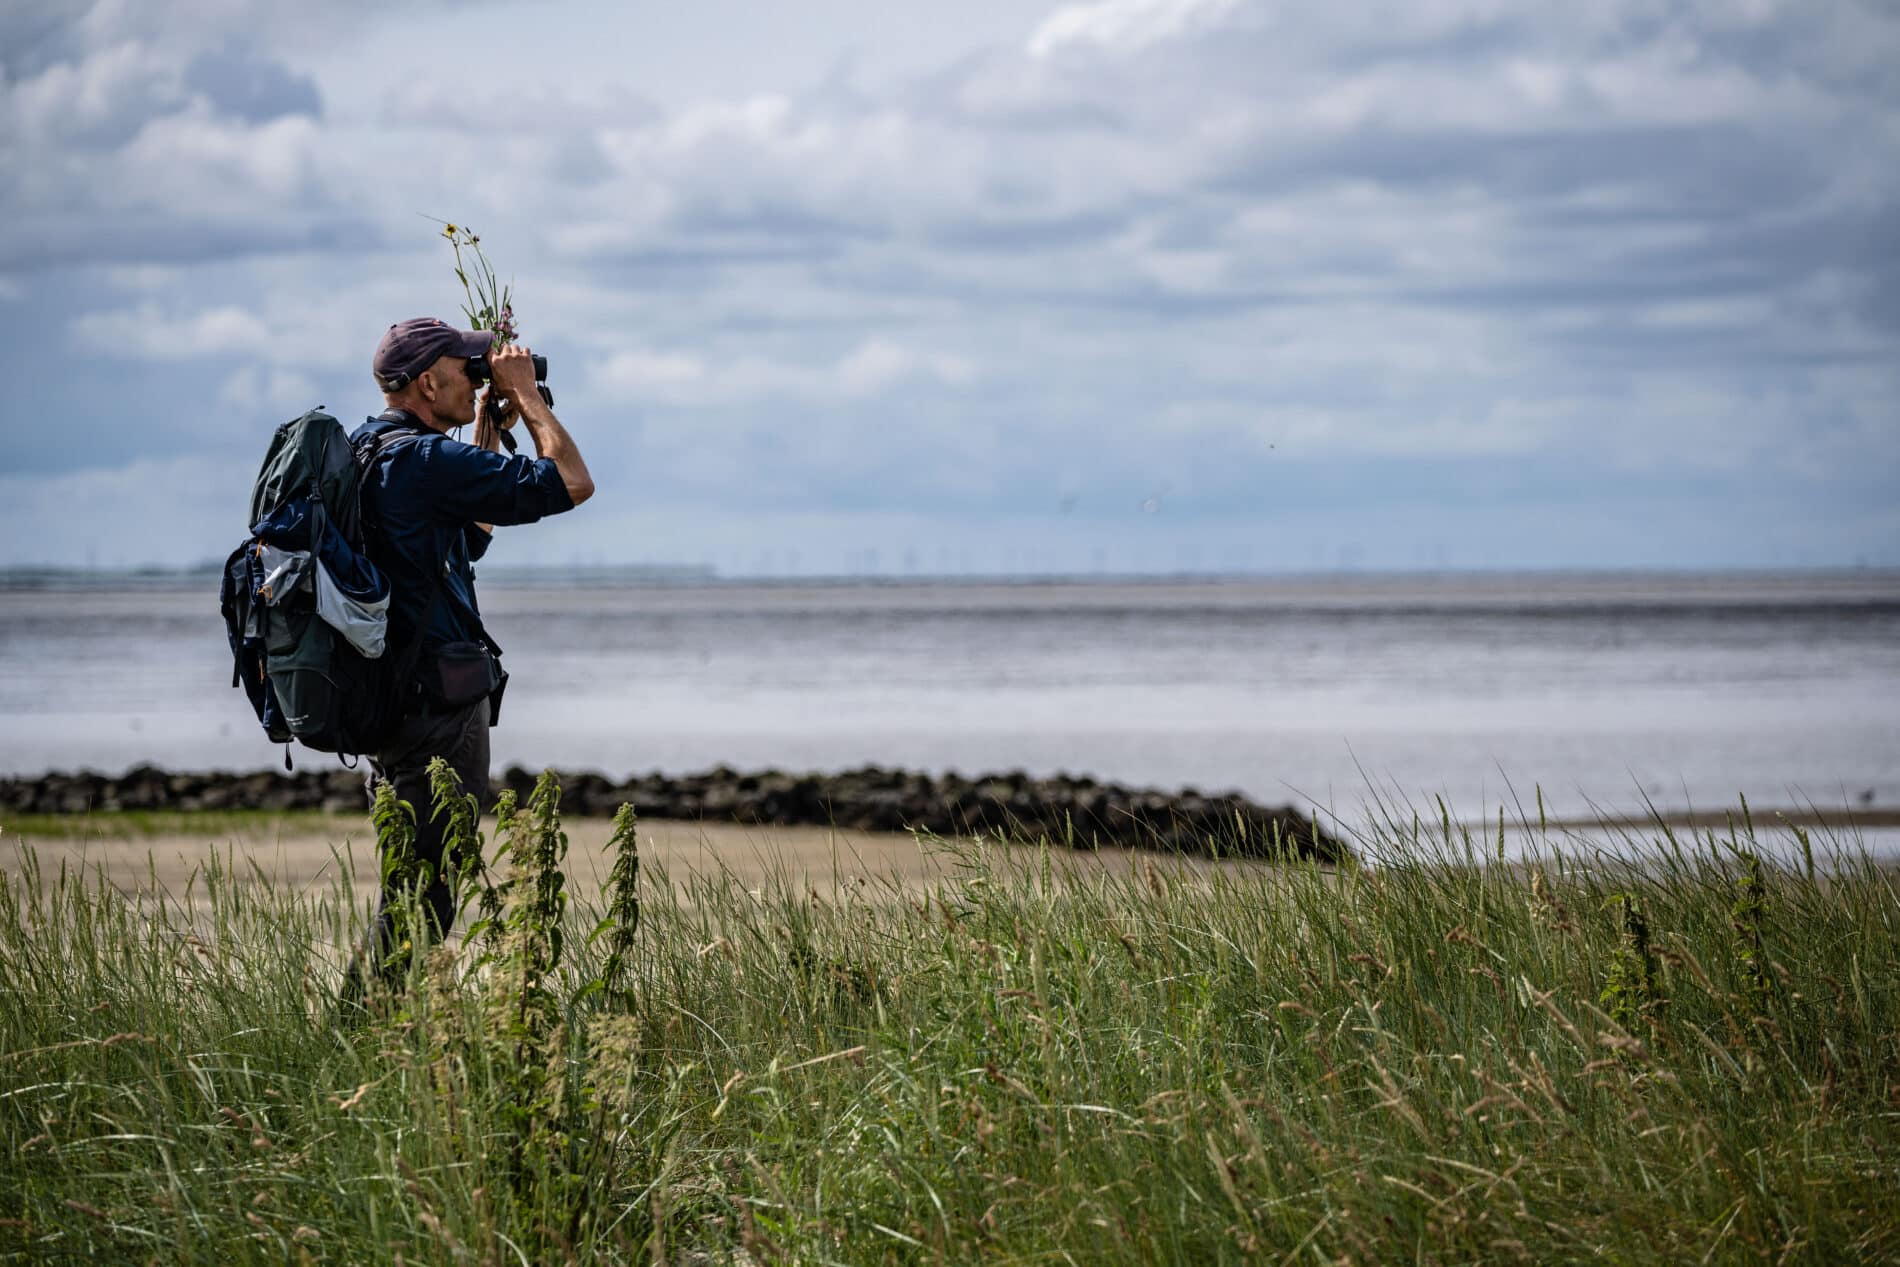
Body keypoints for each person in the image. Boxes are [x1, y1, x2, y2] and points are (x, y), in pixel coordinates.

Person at [342, 317, 594, 1003]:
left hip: (388, 704)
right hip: (436, 710)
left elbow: (467, 540)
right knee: (430, 893)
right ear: (430, 380)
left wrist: (486, 425)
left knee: (411, 883)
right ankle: (360, 1035)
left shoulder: (372, 448)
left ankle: (368, 1031)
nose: (478, 377)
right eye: (468, 367)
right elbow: (571, 482)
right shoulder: (426, 461)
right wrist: (531, 400)